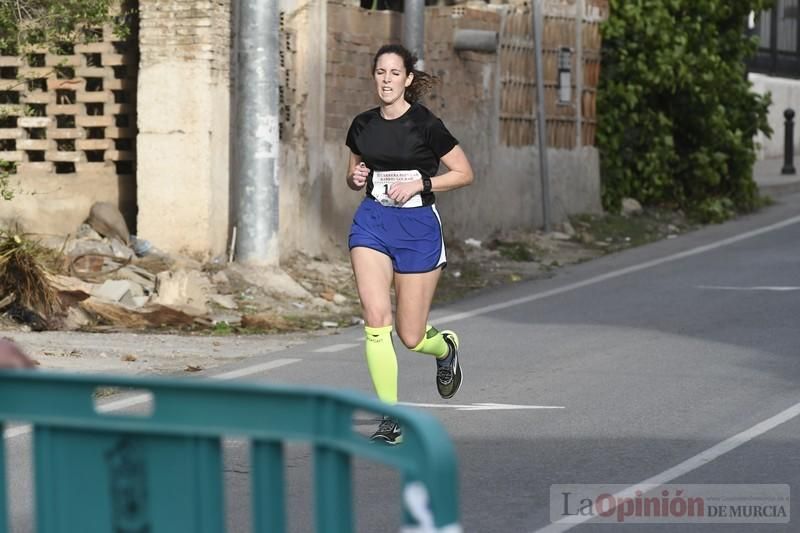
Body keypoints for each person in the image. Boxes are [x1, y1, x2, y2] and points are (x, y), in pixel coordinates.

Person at [345, 44, 474, 444]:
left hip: (417, 227)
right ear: (374, 77)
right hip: (373, 223)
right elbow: (352, 174)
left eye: (394, 73)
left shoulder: (426, 125)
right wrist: (356, 177)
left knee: (411, 335)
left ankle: (445, 347)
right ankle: (391, 419)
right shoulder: (362, 125)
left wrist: (422, 182)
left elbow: (464, 173)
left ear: (407, 79)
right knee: (375, 318)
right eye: (380, 73)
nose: (386, 80)